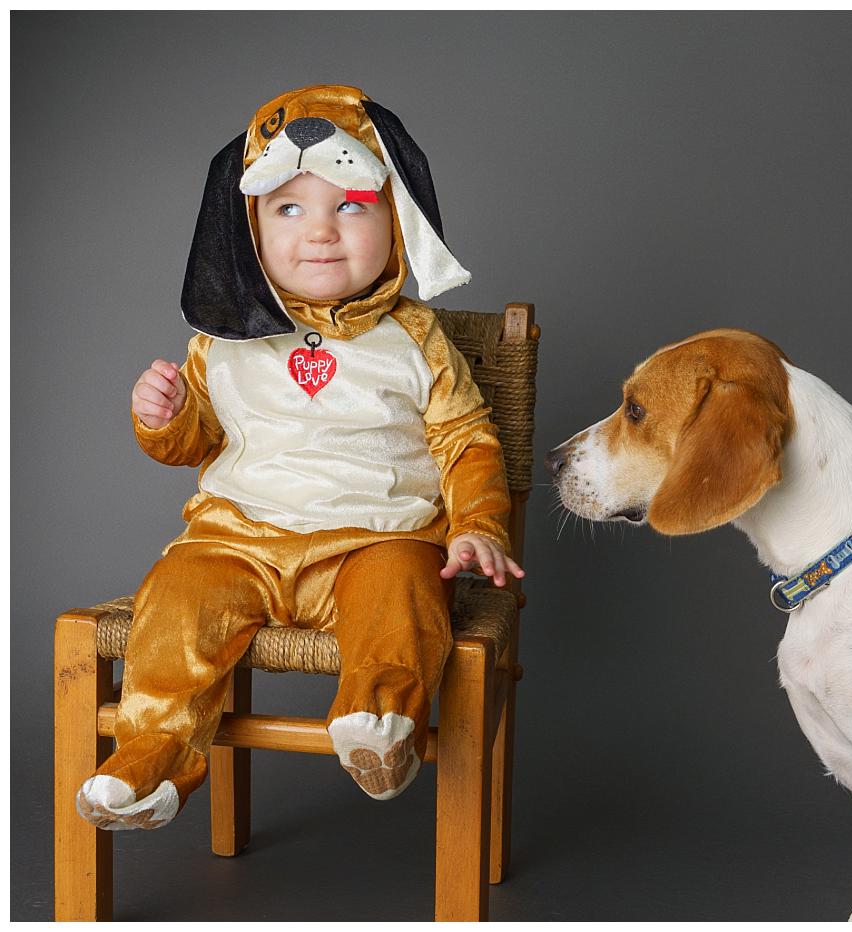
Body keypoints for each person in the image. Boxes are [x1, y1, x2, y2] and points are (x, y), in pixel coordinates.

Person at [76, 84, 522, 830]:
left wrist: (480, 525)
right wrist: (166, 418)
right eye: (289, 209)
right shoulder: (222, 338)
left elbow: (466, 442)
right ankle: (152, 758)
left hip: (375, 542)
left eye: (350, 204)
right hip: (238, 542)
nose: (320, 233)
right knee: (174, 602)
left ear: (397, 222)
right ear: (249, 227)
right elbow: (196, 443)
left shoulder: (414, 339)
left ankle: (378, 725)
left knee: (403, 602)